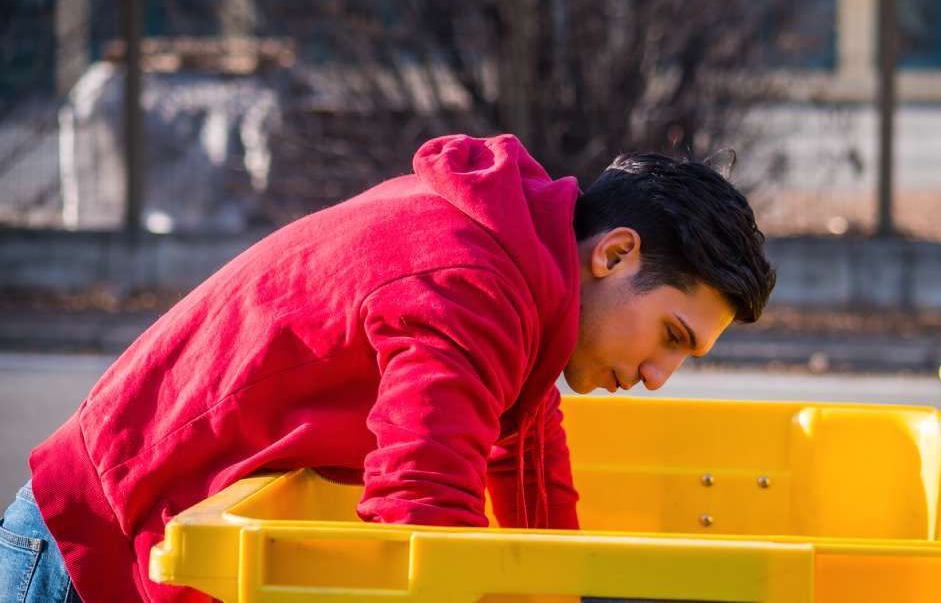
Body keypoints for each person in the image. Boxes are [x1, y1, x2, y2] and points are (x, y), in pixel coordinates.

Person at [0, 134, 775, 602]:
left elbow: (527, 465)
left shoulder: (522, 272)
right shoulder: (474, 283)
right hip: (84, 551)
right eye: (671, 335)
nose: (658, 375)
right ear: (614, 254)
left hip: (121, 531)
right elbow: (422, 516)